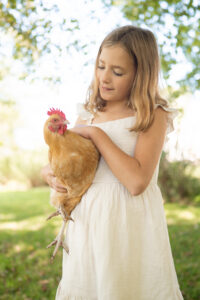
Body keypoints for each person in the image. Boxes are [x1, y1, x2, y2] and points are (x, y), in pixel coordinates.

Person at [41, 25, 184, 299]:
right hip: (88, 223)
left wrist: (97, 134)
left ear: (141, 75)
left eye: (118, 72)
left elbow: (136, 182)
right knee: (91, 286)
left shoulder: (152, 115)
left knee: (127, 286)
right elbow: (61, 162)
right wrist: (52, 176)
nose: (104, 78)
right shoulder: (89, 113)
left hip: (128, 223)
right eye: (101, 66)